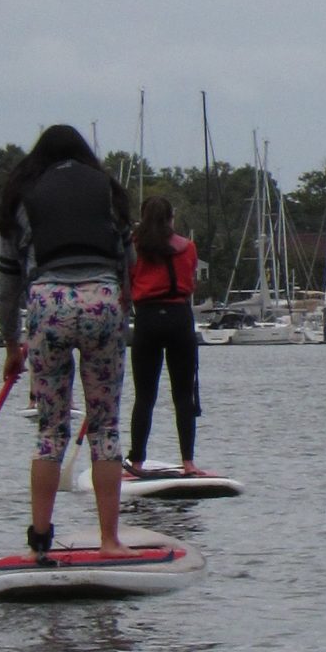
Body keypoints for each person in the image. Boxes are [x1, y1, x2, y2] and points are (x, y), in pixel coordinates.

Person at [0, 125, 133, 560]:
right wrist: (123, 313)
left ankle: (40, 541)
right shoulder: (108, 191)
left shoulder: (22, 197)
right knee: (105, 426)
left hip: (48, 305)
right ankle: (110, 540)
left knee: (50, 431)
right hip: (102, 302)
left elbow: (8, 281)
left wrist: (10, 345)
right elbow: (127, 262)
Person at [126, 193, 208, 475]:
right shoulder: (189, 247)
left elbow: (128, 282)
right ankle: (188, 462)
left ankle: (135, 461)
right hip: (179, 321)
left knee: (144, 396)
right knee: (183, 395)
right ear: (171, 218)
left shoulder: (135, 247)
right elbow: (190, 281)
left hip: (148, 321)